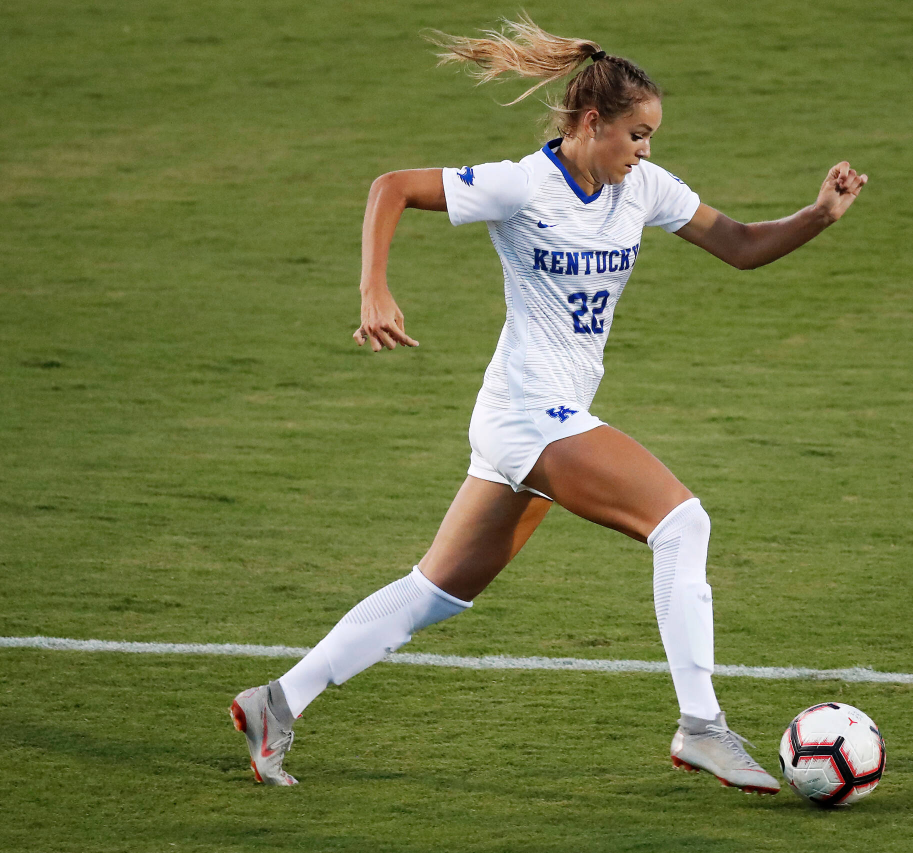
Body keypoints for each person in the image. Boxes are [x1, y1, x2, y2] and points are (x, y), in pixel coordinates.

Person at [230, 15, 867, 794]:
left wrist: (818, 217)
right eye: (637, 134)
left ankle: (276, 702)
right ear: (592, 123)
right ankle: (701, 727)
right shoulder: (522, 185)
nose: (645, 152)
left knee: (435, 593)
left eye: (652, 138)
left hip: (531, 418)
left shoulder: (643, 189)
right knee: (682, 521)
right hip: (529, 414)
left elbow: (738, 244)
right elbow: (390, 187)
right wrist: (375, 288)